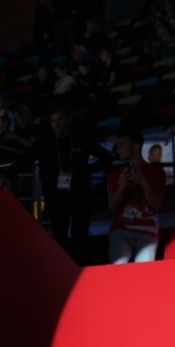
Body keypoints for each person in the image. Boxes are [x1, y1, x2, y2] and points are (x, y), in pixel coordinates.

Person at [35, 108, 115, 258]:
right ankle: (64, 264)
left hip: (80, 194)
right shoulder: (45, 142)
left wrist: (87, 170)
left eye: (60, 119)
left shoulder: (80, 139)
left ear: (68, 120)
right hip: (57, 197)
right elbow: (26, 159)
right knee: (60, 235)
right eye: (53, 121)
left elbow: (107, 157)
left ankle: (80, 264)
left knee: (80, 235)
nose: (56, 124)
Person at [106, 131, 166, 264]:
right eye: (118, 145)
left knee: (144, 271)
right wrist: (121, 188)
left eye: (122, 145)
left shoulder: (158, 173)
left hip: (147, 229)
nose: (118, 149)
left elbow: (157, 206)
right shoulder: (115, 174)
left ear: (136, 147)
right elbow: (112, 206)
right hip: (121, 229)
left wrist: (144, 184)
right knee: (118, 268)